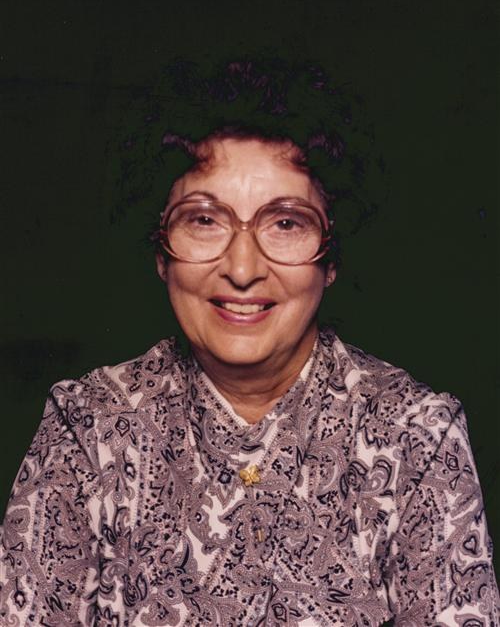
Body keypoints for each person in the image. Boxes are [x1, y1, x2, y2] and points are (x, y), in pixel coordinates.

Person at [0, 61, 498, 626]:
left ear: (331, 258)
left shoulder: (417, 437)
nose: (241, 269)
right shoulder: (87, 429)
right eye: (204, 220)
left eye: (285, 224)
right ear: (160, 251)